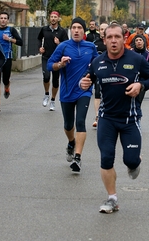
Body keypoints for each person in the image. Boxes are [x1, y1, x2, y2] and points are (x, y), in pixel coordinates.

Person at [79, 24, 149, 213]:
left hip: (130, 119)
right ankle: (112, 199)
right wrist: (84, 83)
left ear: (124, 39)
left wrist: (140, 85)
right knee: (106, 158)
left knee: (130, 161)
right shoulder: (97, 62)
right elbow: (86, 79)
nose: (113, 41)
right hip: (107, 119)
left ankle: (134, 161)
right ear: (104, 40)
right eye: (110, 37)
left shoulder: (136, 59)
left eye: (117, 37)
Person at [47, 17, 98, 172]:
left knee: (81, 121)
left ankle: (78, 157)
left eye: (79, 28)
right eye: (74, 28)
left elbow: (97, 66)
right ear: (70, 30)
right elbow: (50, 65)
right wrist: (60, 64)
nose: (76, 30)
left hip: (83, 91)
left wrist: (91, 76)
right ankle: (71, 141)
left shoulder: (90, 47)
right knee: (69, 125)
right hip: (66, 92)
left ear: (84, 31)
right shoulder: (63, 47)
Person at [0, 11, 23, 112]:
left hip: (7, 58)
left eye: (5, 18)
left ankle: (7, 88)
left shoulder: (11, 30)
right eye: (1, 18)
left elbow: (20, 42)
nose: (3, 20)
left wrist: (9, 39)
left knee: (5, 80)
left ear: (8, 20)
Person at [37, 11, 69, 111]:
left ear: (58, 18)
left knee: (55, 81)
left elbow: (66, 45)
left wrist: (58, 43)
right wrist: (40, 47)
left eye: (55, 17)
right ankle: (46, 94)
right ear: (49, 18)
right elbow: (39, 39)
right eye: (51, 17)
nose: (53, 19)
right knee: (46, 77)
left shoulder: (62, 31)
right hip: (46, 57)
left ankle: (53, 100)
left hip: (57, 59)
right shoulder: (44, 29)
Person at [92, 22, 108, 128]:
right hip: (98, 71)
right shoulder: (95, 43)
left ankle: (107, 116)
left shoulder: (112, 42)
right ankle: (97, 116)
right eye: (101, 29)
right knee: (97, 92)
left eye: (104, 29)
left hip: (110, 71)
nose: (102, 31)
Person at [131, 34, 149, 103]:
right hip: (132, 79)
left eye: (140, 40)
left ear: (143, 42)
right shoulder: (131, 53)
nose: (138, 42)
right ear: (134, 43)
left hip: (142, 80)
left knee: (139, 101)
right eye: (136, 40)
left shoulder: (148, 54)